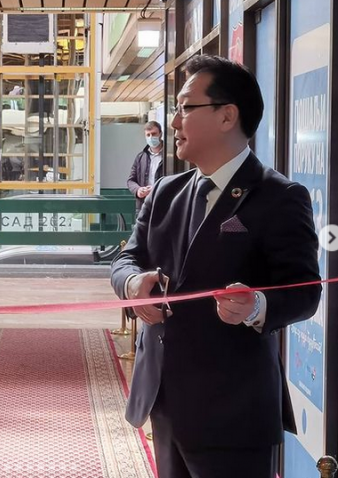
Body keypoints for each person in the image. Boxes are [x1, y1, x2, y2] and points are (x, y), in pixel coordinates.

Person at [111, 55, 321, 478]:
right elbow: (126, 260)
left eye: (186, 108)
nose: (173, 123)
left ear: (227, 116)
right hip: (164, 399)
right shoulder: (166, 192)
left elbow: (304, 291)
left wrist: (256, 306)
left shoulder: (279, 196)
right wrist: (133, 285)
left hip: (234, 412)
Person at [127, 120, 164, 215]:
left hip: (163, 204)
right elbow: (131, 180)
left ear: (160, 134)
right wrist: (138, 190)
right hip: (143, 206)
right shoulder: (140, 157)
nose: (151, 137)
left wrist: (156, 188)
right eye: (148, 135)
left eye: (154, 134)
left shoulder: (169, 157)